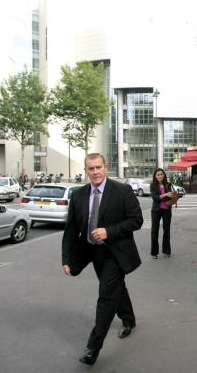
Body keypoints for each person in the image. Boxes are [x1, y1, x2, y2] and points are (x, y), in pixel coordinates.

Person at [61, 153, 143, 366]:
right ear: (86, 170)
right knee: (115, 288)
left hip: (116, 252)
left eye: (98, 167)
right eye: (91, 168)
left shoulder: (122, 190)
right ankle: (129, 319)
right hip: (92, 252)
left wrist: (109, 231)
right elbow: (71, 230)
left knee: (106, 296)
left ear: (106, 167)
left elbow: (136, 220)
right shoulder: (78, 195)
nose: (95, 172)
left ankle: (93, 347)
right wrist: (66, 258)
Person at [150, 168, 176, 259]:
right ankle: (154, 252)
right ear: (155, 176)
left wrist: (163, 196)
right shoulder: (153, 186)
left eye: (161, 174)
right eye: (158, 174)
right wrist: (165, 195)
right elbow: (155, 198)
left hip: (166, 210)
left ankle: (167, 251)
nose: (160, 176)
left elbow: (169, 198)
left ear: (164, 175)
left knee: (166, 231)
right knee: (154, 231)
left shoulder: (168, 185)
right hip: (156, 210)